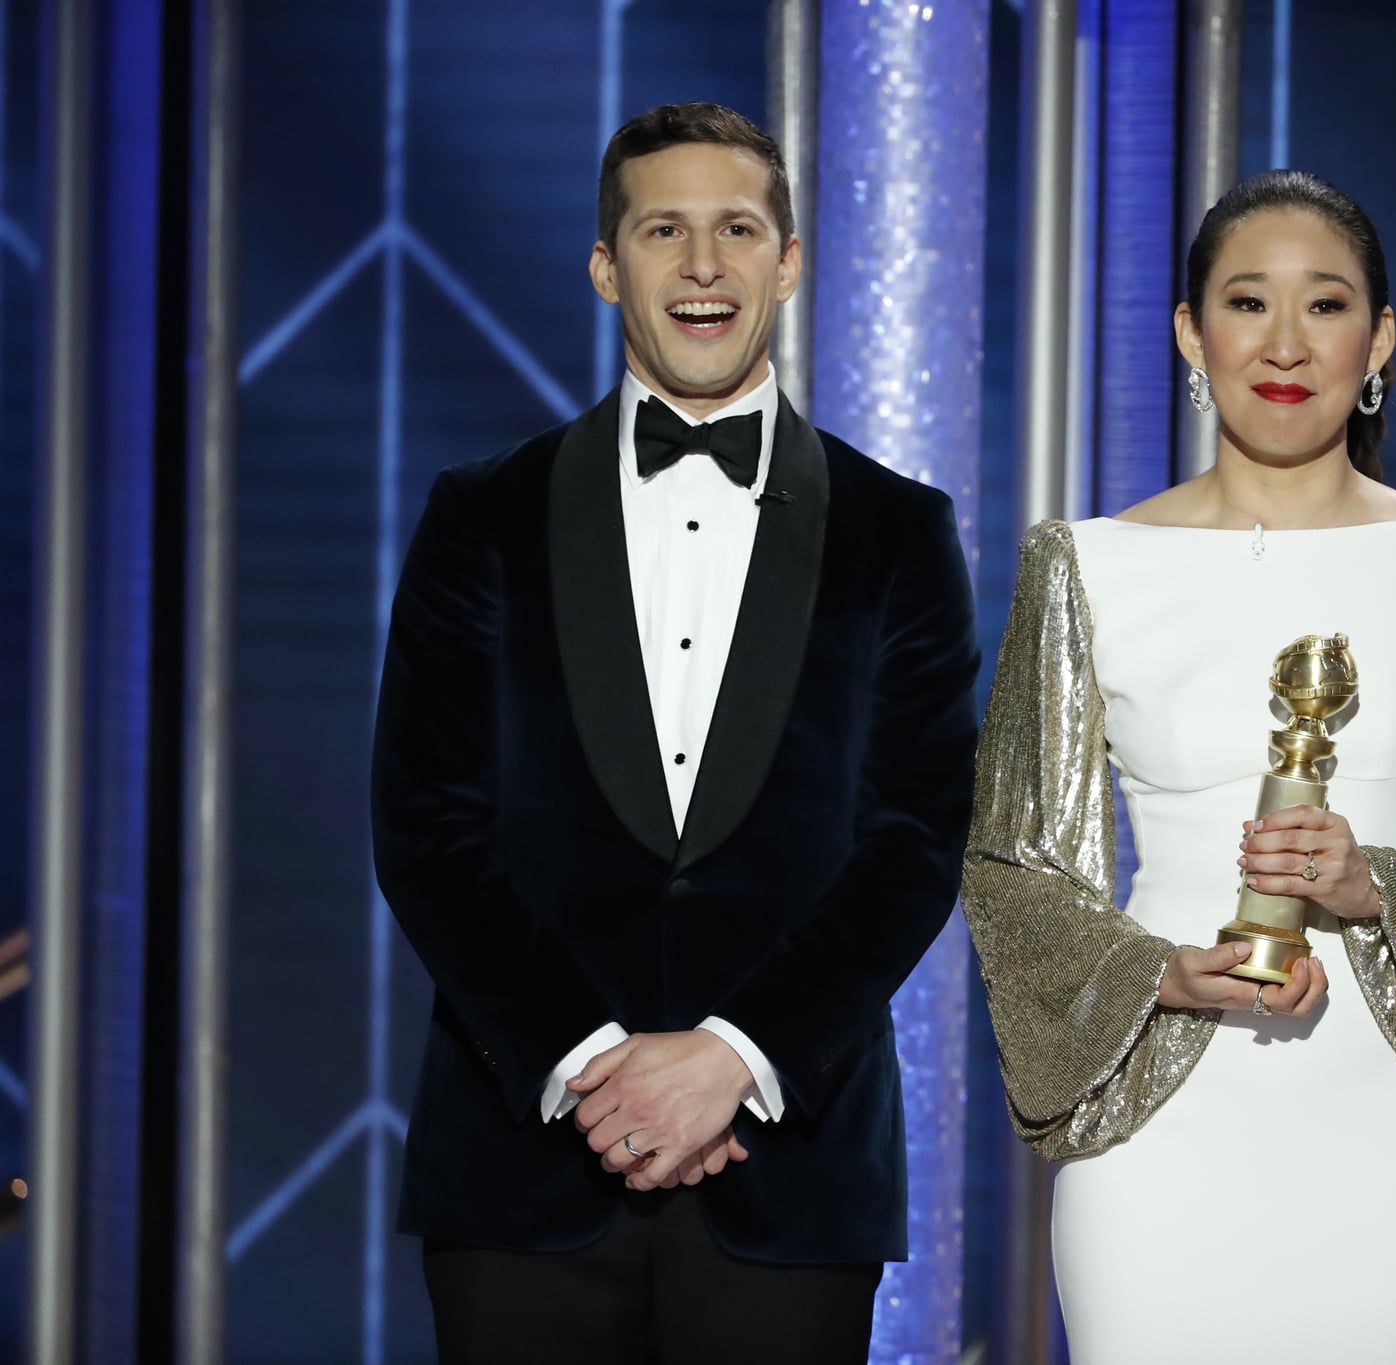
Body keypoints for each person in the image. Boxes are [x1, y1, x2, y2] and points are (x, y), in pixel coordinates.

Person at [370, 102, 978, 1363]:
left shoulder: (899, 530)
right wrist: (591, 1066)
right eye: (664, 231)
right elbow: (425, 822)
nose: (702, 264)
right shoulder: (480, 514)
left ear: (788, 260)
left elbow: (918, 836)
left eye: (736, 229)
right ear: (608, 266)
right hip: (520, 1174)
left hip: (788, 1175)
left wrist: (730, 1061)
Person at [962, 169, 1396, 1362]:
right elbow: (1013, 872)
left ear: (1379, 339)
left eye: (1326, 304)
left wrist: (1379, 887)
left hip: (1387, 1123)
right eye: (1248, 303)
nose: (1286, 343)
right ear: (1190, 335)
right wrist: (1162, 976)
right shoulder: (1088, 565)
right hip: (1163, 1119)